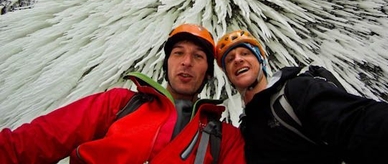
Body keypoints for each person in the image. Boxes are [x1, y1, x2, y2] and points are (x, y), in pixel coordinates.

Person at [0, 24, 246, 164]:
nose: (186, 62)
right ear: (167, 63)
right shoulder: (119, 103)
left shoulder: (225, 138)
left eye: (198, 56)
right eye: (178, 53)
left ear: (208, 73)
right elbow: (43, 137)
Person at [215, 29, 388, 164]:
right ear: (228, 75)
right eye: (230, 59)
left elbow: (352, 121)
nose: (238, 60)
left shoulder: (296, 92)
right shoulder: (245, 127)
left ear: (261, 60)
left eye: (245, 53)